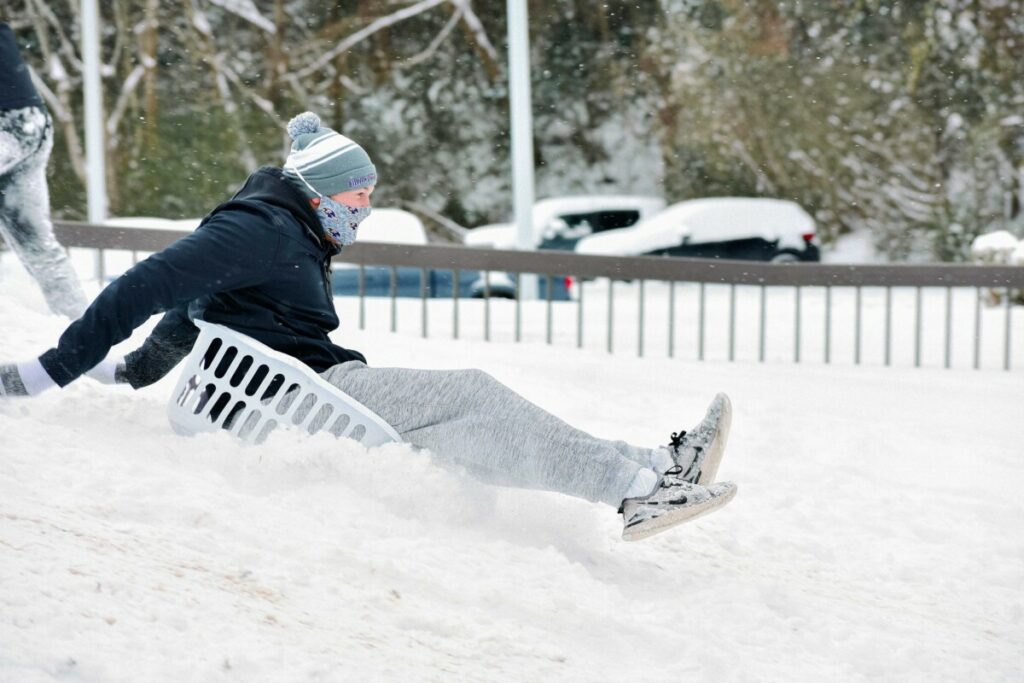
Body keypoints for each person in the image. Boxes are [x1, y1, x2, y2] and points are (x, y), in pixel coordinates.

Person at [0, 111, 737, 541]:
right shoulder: (260, 226)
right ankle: (636, 489)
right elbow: (151, 282)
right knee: (473, 394)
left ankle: (655, 465)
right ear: (319, 191)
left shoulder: (288, 228)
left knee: (473, 418)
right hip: (290, 397)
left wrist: (130, 372)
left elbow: (188, 314)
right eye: (357, 195)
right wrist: (53, 367)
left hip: (300, 387)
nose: (363, 210)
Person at [0, 21, 88, 319]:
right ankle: (82, 330)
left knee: (37, 244)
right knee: (36, 243)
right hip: (31, 123)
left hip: (8, 126)